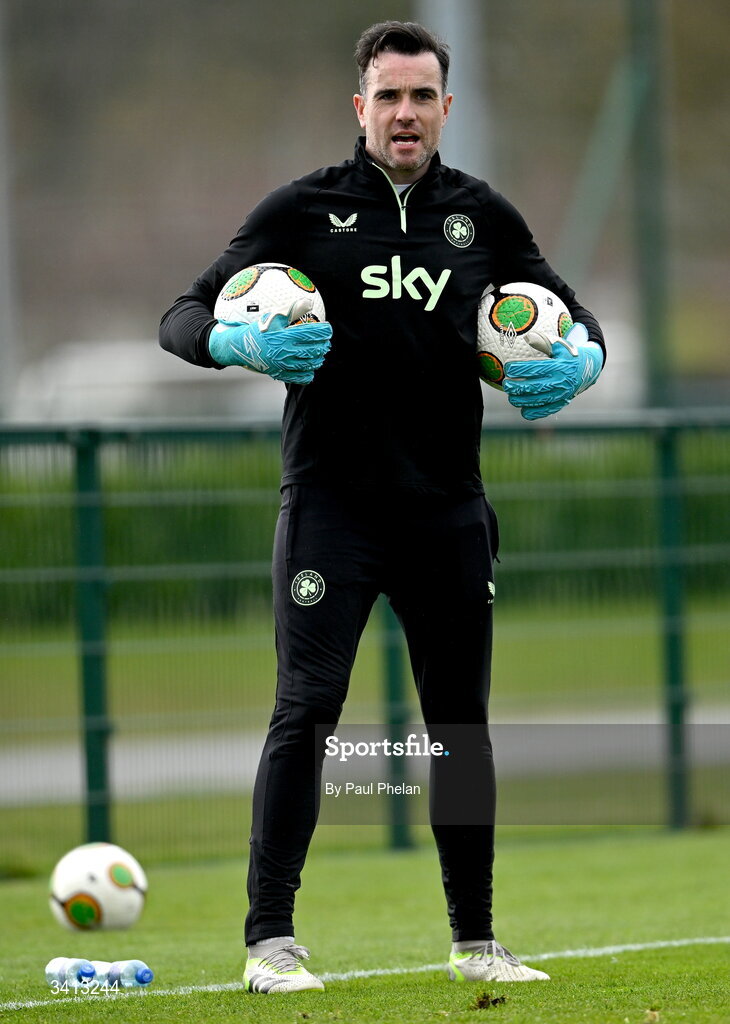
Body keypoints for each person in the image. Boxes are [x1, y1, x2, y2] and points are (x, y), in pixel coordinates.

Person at [160, 20, 604, 994]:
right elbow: (182, 315)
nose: (405, 112)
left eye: (422, 95)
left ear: (446, 107)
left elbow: (575, 317)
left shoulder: (480, 218)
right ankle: (269, 941)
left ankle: (476, 939)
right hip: (332, 507)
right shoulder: (303, 210)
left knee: (460, 724)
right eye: (388, 96)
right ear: (361, 108)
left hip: (447, 509)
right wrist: (236, 346)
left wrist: (580, 364)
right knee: (307, 710)